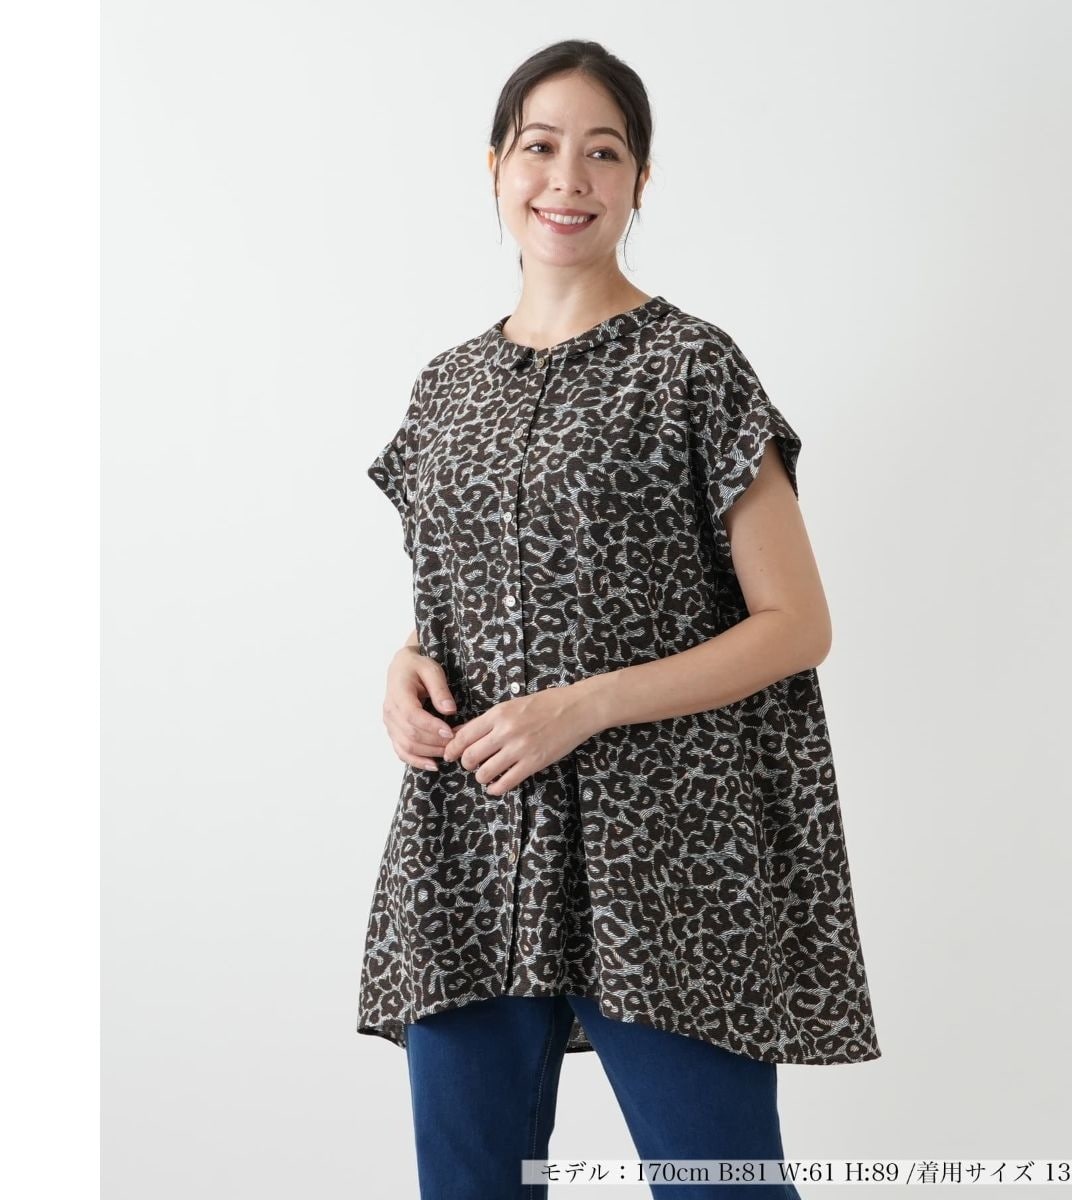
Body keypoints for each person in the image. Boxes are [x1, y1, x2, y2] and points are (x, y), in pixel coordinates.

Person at [358, 39, 882, 1200]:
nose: (568, 179)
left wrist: (584, 707)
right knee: (472, 1187)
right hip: (473, 840)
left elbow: (796, 622)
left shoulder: (694, 367)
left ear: (642, 180)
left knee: (720, 1186)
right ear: (495, 167)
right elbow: (456, 604)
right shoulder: (446, 386)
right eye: (540, 147)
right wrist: (403, 667)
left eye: (603, 153)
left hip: (669, 849)